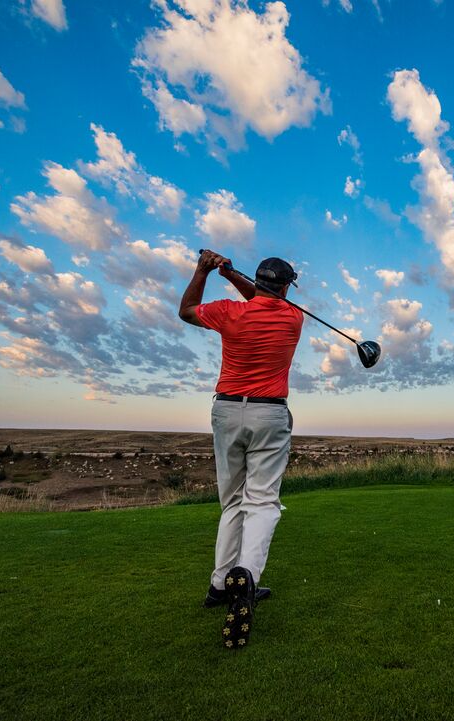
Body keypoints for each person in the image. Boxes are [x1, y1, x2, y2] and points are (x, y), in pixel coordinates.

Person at [178, 249, 303, 649]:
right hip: (269, 414)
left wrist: (206, 271)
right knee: (263, 501)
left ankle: (220, 584)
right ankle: (246, 578)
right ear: (285, 287)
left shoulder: (230, 312)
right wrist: (233, 275)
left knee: (232, 501)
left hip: (228, 410)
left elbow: (187, 310)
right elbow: (264, 297)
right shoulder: (292, 317)